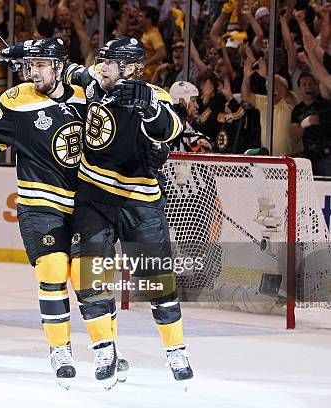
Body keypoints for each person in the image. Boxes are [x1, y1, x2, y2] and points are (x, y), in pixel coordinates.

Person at [0, 39, 132, 390]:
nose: (33, 71)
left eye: (41, 64)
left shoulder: (85, 94)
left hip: (89, 204)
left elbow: (112, 93)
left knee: (89, 277)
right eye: (29, 64)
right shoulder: (16, 100)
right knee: (53, 270)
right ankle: (60, 350)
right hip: (40, 204)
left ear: (59, 67)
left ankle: (106, 347)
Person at [62, 37, 193, 385]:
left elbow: (170, 127)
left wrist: (148, 107)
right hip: (94, 196)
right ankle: (104, 348)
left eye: (110, 62)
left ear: (132, 68)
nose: (101, 67)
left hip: (140, 202)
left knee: (158, 281)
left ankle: (176, 350)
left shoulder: (154, 97)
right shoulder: (94, 81)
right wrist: (27, 53)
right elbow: (67, 71)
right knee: (87, 276)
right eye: (101, 61)